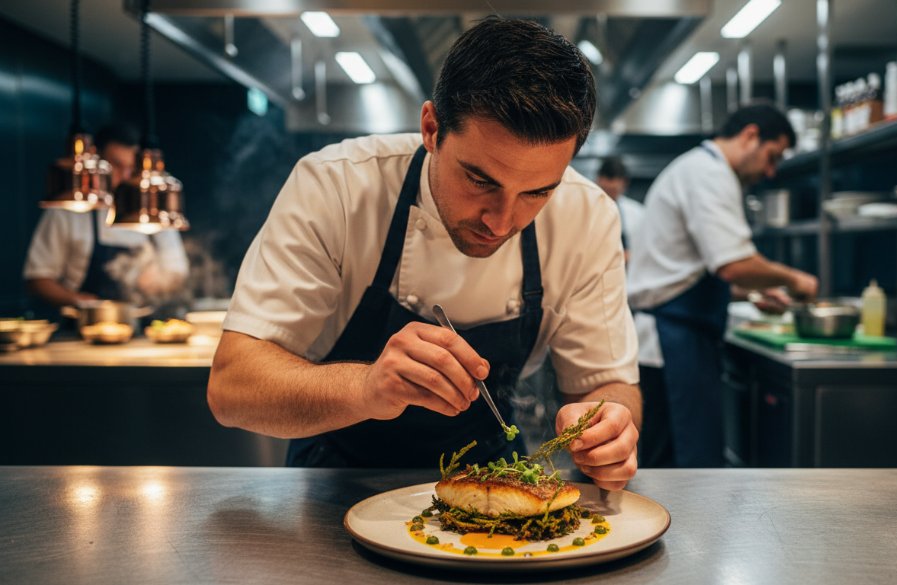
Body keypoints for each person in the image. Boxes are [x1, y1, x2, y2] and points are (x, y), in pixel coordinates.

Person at [207, 18, 641, 491]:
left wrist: (609, 426)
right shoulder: (337, 186)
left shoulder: (588, 216)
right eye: (480, 181)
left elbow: (609, 386)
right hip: (332, 487)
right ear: (432, 128)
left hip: (495, 484)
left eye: (536, 192)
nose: (500, 221)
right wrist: (367, 387)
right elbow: (233, 388)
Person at [626, 103, 819, 468]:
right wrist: (796, 279)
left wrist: (755, 292)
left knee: (673, 467)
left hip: (676, 339)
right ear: (750, 136)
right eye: (771, 156)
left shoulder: (699, 168)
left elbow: (688, 271)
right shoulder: (708, 174)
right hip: (672, 347)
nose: (770, 171)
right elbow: (734, 265)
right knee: (683, 469)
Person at [23, 122, 189, 309]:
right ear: (97, 161)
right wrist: (77, 300)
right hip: (85, 325)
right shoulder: (70, 207)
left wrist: (157, 281)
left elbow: (178, 272)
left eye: (131, 167)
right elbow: (37, 278)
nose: (125, 176)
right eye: (116, 166)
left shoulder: (152, 209)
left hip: (144, 324)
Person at [595, 157, 670, 468]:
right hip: (594, 299)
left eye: (617, 181)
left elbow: (650, 255)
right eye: (606, 179)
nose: (611, 186)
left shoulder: (639, 216)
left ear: (624, 184)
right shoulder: (588, 209)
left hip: (631, 301)